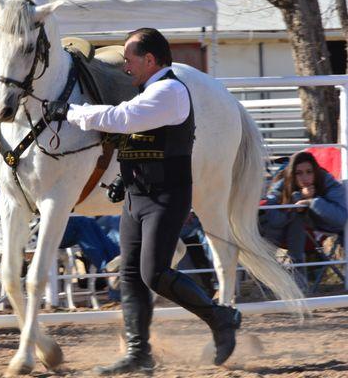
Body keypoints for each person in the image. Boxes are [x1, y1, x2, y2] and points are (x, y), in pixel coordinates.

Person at [46, 28, 240, 374]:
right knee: (132, 276)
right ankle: (139, 353)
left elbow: (122, 120)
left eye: (129, 60)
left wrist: (72, 113)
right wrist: (123, 176)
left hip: (165, 197)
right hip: (137, 197)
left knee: (154, 273)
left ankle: (221, 317)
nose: (125, 68)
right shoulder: (147, 91)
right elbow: (135, 139)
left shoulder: (169, 91)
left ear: (150, 60)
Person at [260, 151, 347, 286]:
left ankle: (289, 276)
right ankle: (271, 275)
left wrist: (311, 202)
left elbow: (340, 218)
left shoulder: (328, 182)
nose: (304, 177)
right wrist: (292, 208)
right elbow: (273, 217)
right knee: (293, 219)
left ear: (315, 172)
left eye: (309, 172)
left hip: (323, 229)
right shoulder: (283, 184)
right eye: (298, 173)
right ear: (292, 174)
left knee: (298, 218)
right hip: (287, 233)